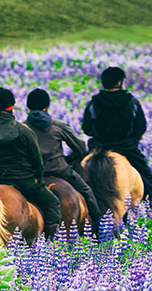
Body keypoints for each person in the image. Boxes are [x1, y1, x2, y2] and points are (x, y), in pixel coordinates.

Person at [0, 87, 62, 238]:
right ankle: (51, 245)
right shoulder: (23, 130)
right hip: (22, 180)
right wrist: (37, 177)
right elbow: (36, 159)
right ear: (11, 106)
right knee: (52, 204)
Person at [24, 88, 102, 230]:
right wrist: (68, 159)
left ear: (28, 107)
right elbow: (80, 146)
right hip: (59, 170)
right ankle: (98, 228)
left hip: (32, 174)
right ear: (47, 106)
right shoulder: (58, 125)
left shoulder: (22, 128)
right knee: (87, 192)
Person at [82, 66, 152, 199]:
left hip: (98, 148)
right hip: (126, 148)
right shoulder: (131, 102)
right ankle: (149, 206)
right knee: (147, 179)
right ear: (120, 82)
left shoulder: (94, 102)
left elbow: (87, 129)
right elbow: (141, 127)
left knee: (78, 177)